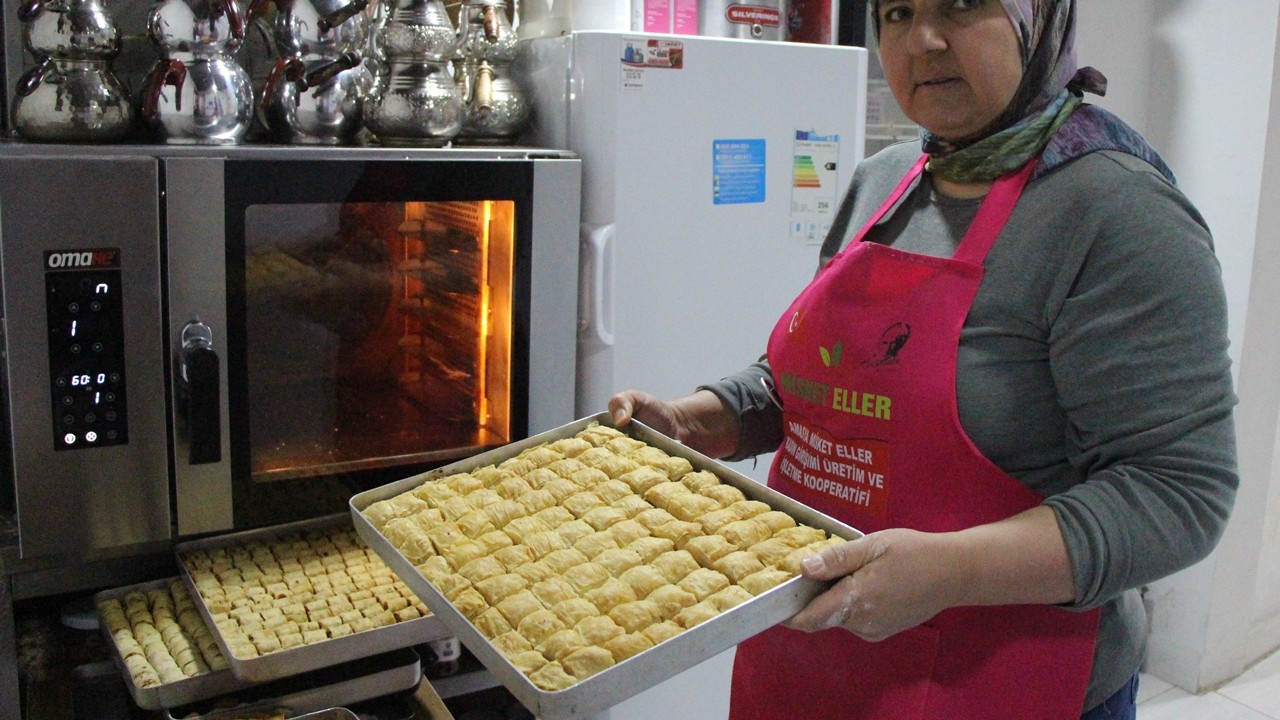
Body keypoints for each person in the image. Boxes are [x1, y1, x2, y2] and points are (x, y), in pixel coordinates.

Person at [607, 1, 1238, 718]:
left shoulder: (1116, 213)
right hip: (811, 659)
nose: (924, 41)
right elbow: (817, 384)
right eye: (898, 12)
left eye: (963, 4)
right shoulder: (887, 179)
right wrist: (702, 419)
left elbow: (1181, 493)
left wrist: (952, 571)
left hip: (1005, 680)